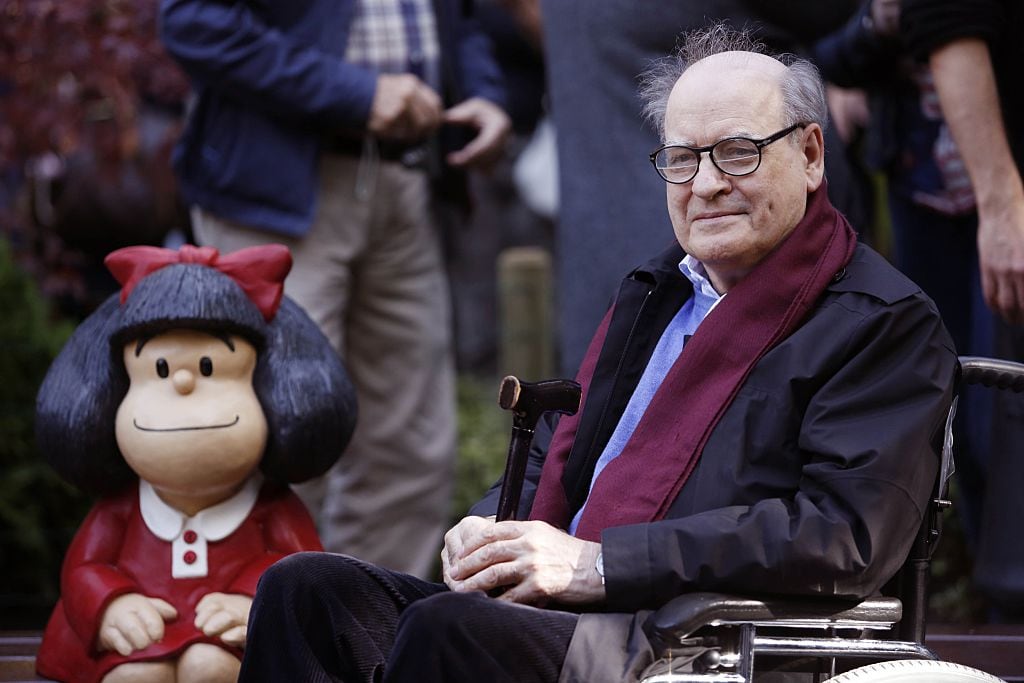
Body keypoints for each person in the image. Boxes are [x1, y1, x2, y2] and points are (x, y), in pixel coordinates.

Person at [238, 25, 957, 682]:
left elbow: (843, 535)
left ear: (809, 154)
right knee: (304, 591)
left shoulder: (882, 323)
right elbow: (566, 459)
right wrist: (489, 528)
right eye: (682, 159)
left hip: (686, 634)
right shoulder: (656, 291)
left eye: (737, 152)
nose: (706, 184)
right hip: (572, 612)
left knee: (450, 630)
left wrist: (602, 565)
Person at [158, 0, 511, 579]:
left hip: (405, 181)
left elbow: (463, 17)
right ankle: (247, 638)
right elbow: (196, 21)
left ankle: (365, 638)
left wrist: (486, 94)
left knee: (411, 447)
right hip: (271, 191)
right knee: (276, 432)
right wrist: (355, 92)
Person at [902, 0, 1024, 619]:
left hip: (976, 193)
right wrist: (1003, 205)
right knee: (986, 431)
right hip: (969, 195)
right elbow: (949, 21)